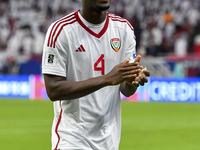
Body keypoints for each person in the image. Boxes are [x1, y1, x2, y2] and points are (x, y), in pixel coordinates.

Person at [42, 0, 150, 149]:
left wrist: (132, 82)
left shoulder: (124, 29)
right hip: (72, 138)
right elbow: (53, 89)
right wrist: (106, 79)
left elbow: (125, 89)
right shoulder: (61, 31)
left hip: (109, 140)